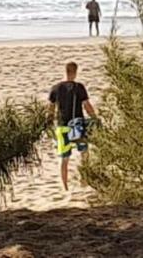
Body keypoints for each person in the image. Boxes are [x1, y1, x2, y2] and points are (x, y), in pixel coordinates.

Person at [48, 60, 98, 190]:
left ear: (64, 71)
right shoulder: (79, 87)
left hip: (62, 126)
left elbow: (50, 110)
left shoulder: (55, 88)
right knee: (84, 153)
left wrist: (49, 124)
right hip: (78, 126)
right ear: (75, 72)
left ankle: (65, 186)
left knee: (64, 159)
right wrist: (95, 118)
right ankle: (84, 179)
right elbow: (87, 106)